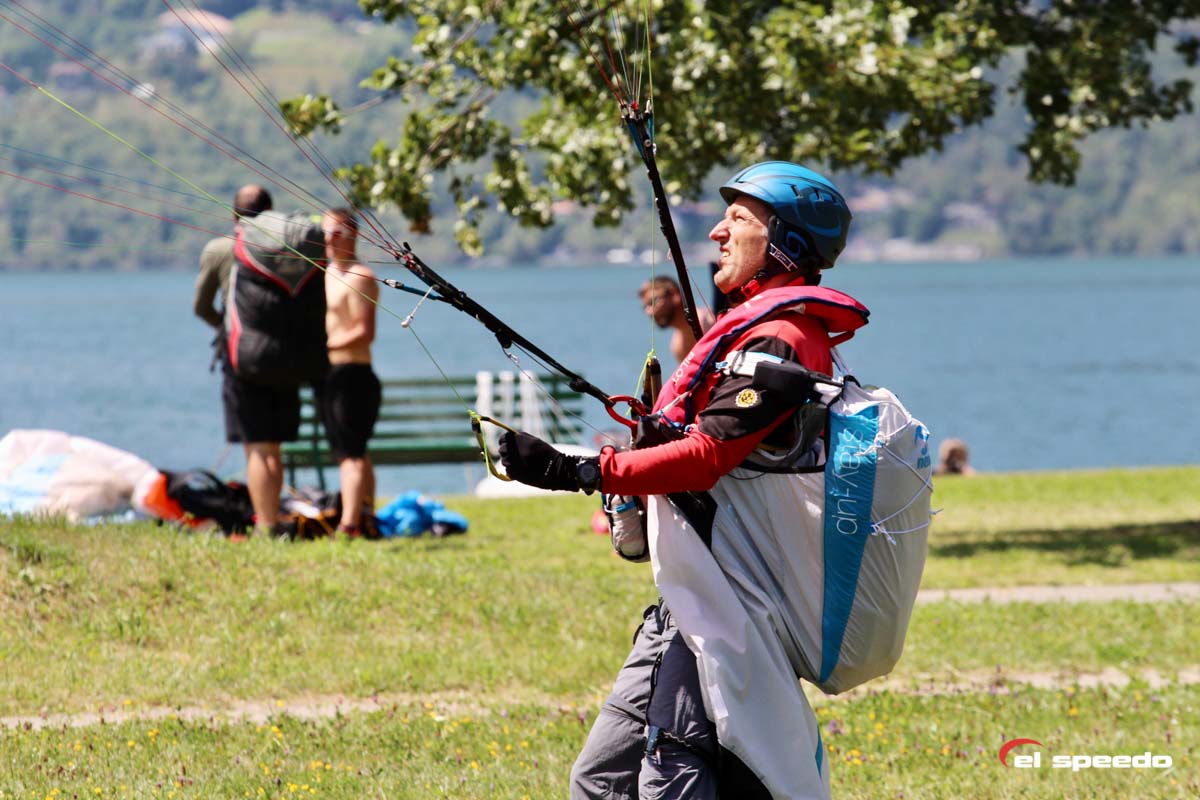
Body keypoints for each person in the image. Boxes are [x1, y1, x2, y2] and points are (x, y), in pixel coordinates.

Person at [500, 162, 868, 799]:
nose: (718, 233)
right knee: (600, 778)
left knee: (671, 779)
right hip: (691, 598)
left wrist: (578, 470)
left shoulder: (782, 341)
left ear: (786, 241)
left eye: (739, 219)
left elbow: (708, 457)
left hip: (731, 608)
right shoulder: (759, 331)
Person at [224, 206, 328, 534]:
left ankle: (266, 524)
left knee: (258, 448)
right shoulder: (300, 252)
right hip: (293, 360)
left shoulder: (226, 249)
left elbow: (204, 304)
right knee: (275, 449)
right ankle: (273, 518)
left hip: (248, 362)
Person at [316, 207, 381, 535]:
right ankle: (367, 516)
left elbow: (364, 332)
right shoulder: (324, 274)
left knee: (350, 454)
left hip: (353, 374)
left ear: (353, 235)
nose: (329, 240)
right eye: (324, 233)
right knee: (355, 452)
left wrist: (325, 348)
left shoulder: (360, 277)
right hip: (329, 374)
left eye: (336, 233)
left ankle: (349, 525)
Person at [193, 184, 273, 331]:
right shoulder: (288, 249)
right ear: (270, 213)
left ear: (234, 215)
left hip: (236, 335)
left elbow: (202, 308)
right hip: (281, 336)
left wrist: (225, 328)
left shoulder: (217, 249)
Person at [638, 276, 716, 362]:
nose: (649, 312)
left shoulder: (711, 320)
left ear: (674, 293)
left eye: (653, 301)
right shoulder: (677, 346)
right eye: (645, 307)